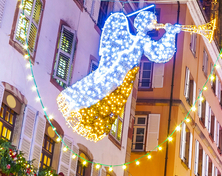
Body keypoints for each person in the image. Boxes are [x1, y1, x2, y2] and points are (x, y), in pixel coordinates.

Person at [57, 8, 182, 140]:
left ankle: (88, 116)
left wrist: (170, 34)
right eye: (153, 21)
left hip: (121, 75)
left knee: (104, 98)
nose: (156, 24)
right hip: (118, 72)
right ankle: (84, 113)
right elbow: (158, 53)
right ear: (145, 23)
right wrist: (170, 34)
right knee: (102, 95)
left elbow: (159, 54)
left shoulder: (140, 40)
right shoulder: (140, 40)